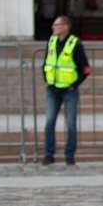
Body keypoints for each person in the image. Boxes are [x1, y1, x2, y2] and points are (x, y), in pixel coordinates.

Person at [41, 15, 90, 165]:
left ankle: (70, 155)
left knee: (70, 123)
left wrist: (74, 84)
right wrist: (45, 79)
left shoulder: (75, 44)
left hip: (69, 90)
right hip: (52, 88)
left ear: (65, 27)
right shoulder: (51, 41)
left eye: (56, 25)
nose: (53, 27)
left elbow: (85, 69)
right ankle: (49, 154)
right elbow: (45, 63)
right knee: (49, 122)